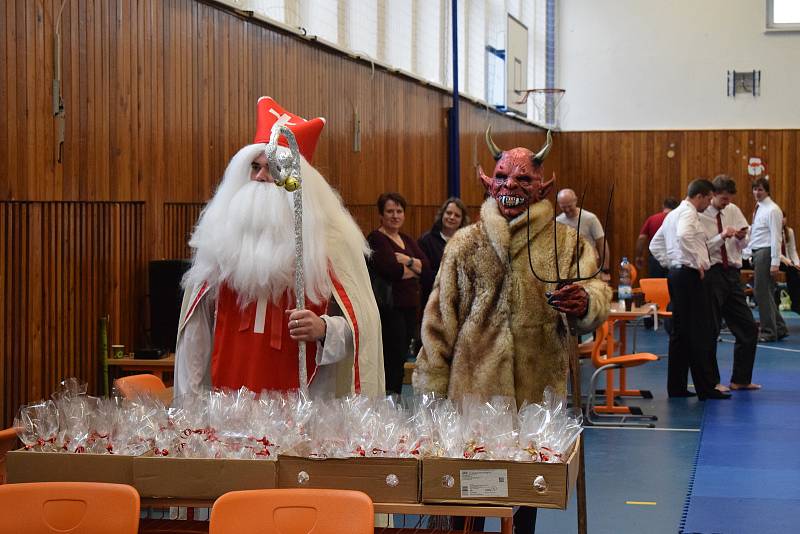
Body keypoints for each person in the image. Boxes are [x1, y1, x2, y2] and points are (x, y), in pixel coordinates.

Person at [414, 129, 611, 534]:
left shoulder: (565, 244)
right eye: (502, 177)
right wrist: (431, 390)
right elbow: (438, 321)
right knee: (466, 498)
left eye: (523, 179)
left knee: (525, 494)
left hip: (534, 395)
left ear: (542, 186)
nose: (511, 187)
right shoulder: (464, 244)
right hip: (472, 394)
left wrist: (586, 301)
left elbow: (596, 288)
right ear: (487, 181)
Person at [173, 97, 385, 399]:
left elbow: (362, 327)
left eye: (272, 169)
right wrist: (191, 404)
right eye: (255, 167)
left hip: (306, 406)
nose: (260, 177)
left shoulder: (331, 244)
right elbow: (196, 332)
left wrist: (324, 329)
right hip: (227, 404)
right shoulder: (222, 240)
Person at [650, 178, 730, 400]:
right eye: (708, 199)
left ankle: (676, 387)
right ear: (701, 196)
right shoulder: (688, 213)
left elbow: (654, 245)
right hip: (689, 275)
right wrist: (696, 263)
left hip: (677, 275)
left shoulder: (672, 214)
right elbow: (685, 236)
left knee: (680, 333)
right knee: (699, 333)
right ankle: (705, 389)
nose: (708, 204)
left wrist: (672, 263)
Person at [698, 175, 760, 392]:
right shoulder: (701, 214)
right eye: (722, 198)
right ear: (713, 194)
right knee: (711, 329)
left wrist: (741, 237)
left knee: (748, 327)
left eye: (728, 198)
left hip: (732, 273)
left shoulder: (733, 210)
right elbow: (701, 248)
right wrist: (722, 236)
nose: (726, 202)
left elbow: (744, 243)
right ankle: (712, 382)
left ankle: (740, 379)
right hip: (712, 273)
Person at [367, 193, 431, 395]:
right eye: (390, 211)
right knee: (391, 358)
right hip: (390, 308)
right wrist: (414, 267)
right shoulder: (376, 238)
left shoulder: (407, 240)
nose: (395, 216)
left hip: (410, 307)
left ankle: (395, 399)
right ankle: (388, 401)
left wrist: (406, 260)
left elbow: (427, 268)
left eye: (399, 211)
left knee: (402, 357)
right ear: (381, 215)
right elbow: (390, 270)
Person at [748, 177, 787, 342]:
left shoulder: (772, 210)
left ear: (767, 191)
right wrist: (750, 252)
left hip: (766, 252)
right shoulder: (759, 207)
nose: (757, 192)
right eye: (755, 189)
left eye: (760, 189)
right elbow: (757, 233)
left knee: (761, 292)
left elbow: (776, 237)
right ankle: (779, 327)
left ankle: (768, 331)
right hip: (758, 252)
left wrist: (775, 262)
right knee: (766, 293)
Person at [417, 197, 470, 310]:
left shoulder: (467, 243)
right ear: (442, 214)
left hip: (460, 304)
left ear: (462, 220)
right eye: (449, 213)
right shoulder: (426, 241)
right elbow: (424, 275)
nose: (451, 217)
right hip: (433, 303)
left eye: (457, 215)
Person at [556, 188, 611, 281]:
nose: (567, 210)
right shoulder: (558, 221)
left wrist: (605, 270)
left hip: (590, 265)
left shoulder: (590, 218)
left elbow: (602, 244)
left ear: (575, 200)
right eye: (563, 207)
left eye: (569, 206)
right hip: (568, 269)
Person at [635, 197, 680, 277]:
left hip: (656, 258)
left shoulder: (652, 219)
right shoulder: (678, 219)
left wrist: (639, 256)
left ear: (663, 206)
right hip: (675, 258)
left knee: (656, 286)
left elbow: (641, 238)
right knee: (673, 287)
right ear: (676, 207)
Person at [778, 215, 800, 315]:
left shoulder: (789, 231)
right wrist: (789, 262)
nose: (783, 220)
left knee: (796, 271)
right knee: (792, 271)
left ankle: (796, 302)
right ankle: (796, 305)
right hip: (776, 260)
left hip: (787, 261)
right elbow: (776, 251)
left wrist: (797, 263)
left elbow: (792, 250)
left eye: (784, 217)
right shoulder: (772, 231)